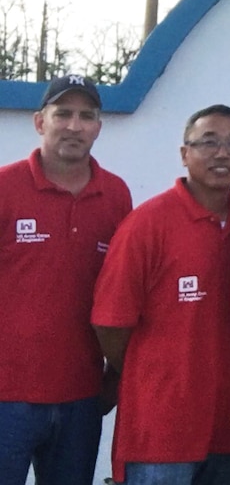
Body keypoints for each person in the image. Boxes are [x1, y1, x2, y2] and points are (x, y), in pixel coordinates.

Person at [91, 105, 230, 484]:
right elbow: (110, 324)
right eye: (208, 142)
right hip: (158, 435)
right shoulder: (147, 225)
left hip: (225, 431)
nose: (222, 153)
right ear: (184, 154)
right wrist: (156, 376)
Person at [0, 74, 132, 484]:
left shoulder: (116, 196)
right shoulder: (4, 187)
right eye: (64, 114)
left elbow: (122, 294)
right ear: (41, 122)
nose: (75, 125)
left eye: (86, 115)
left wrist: (114, 376)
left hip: (81, 396)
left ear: (98, 126)